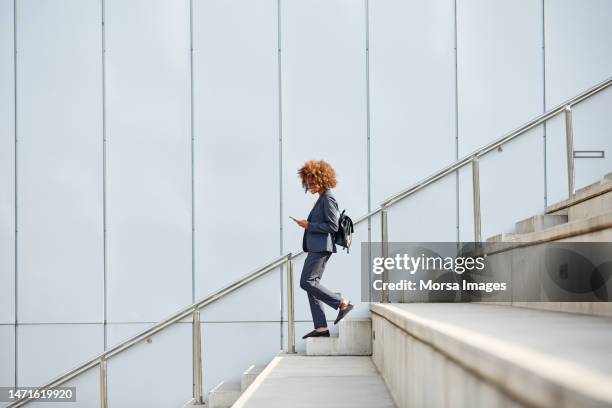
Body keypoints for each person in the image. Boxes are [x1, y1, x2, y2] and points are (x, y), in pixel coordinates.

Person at [291, 160, 353, 339]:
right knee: (312, 285)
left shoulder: (328, 198)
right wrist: (308, 225)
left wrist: (309, 225)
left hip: (321, 248)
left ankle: (342, 304)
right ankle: (321, 328)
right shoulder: (322, 198)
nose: (308, 185)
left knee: (307, 282)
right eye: (307, 182)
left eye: (311, 181)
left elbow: (333, 226)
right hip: (316, 247)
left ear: (322, 179)